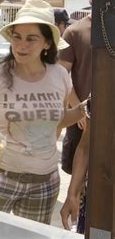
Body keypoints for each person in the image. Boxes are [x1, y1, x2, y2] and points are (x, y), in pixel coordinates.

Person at [0, 0, 87, 224]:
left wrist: (83, 110)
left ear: (47, 44)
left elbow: (58, 120)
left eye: (31, 38)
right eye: (17, 37)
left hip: (43, 183)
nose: (21, 45)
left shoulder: (60, 76)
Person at [58, 0, 94, 175]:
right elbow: (62, 76)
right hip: (81, 119)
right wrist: (79, 110)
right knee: (77, 179)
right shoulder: (74, 32)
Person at [60, 94, 91, 234]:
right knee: (99, 234)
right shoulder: (103, 88)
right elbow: (85, 146)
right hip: (100, 198)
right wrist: (72, 193)